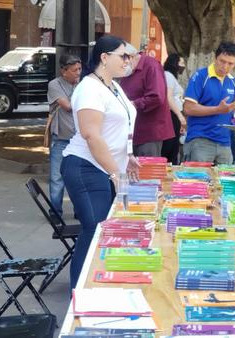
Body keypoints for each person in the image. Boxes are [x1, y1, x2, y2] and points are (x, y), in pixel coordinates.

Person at [60, 36, 140, 289]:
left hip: (104, 167)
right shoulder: (89, 88)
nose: (128, 61)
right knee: (94, 230)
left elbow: (120, 125)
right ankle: (79, 293)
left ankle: (93, 286)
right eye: (123, 56)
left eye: (129, 56)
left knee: (101, 229)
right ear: (104, 58)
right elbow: (91, 134)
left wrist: (127, 157)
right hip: (86, 166)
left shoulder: (113, 86)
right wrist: (115, 172)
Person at [182, 42, 235, 164]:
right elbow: (188, 108)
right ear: (215, 58)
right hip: (201, 140)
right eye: (222, 61)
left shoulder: (232, 81)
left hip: (225, 142)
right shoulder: (200, 76)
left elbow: (230, 112)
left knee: (225, 182)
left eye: (230, 63)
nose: (225, 66)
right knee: (198, 182)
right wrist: (217, 110)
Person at [118, 43, 174, 156]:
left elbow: (157, 97)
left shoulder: (151, 66)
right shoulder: (128, 70)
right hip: (132, 131)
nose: (123, 66)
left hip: (149, 132)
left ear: (131, 57)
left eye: (123, 62)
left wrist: (133, 104)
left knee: (146, 169)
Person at [46, 54, 81, 219]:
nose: (78, 73)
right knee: (57, 178)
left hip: (79, 139)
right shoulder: (55, 84)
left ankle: (79, 210)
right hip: (60, 138)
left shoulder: (81, 85)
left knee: (77, 177)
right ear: (63, 71)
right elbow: (68, 106)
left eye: (79, 69)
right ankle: (55, 212)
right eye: (74, 70)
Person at [161, 53, 187, 164]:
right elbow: (168, 97)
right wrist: (180, 116)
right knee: (170, 146)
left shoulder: (172, 77)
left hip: (174, 115)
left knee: (174, 145)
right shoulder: (168, 75)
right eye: (181, 63)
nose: (183, 66)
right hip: (172, 115)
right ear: (174, 63)